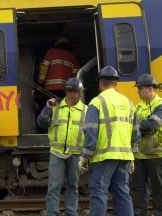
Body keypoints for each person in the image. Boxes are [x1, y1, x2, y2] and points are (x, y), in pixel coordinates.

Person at [79, 66, 141, 216]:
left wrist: (84, 158)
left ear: (101, 83)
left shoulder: (97, 102)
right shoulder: (129, 102)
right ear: (116, 83)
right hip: (124, 157)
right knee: (122, 193)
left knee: (99, 194)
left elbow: (91, 133)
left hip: (103, 158)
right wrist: (132, 156)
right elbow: (136, 134)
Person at [37, 78, 87, 216]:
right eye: (78, 92)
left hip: (76, 154)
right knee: (54, 187)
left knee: (73, 187)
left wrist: (86, 155)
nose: (80, 95)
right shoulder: (55, 107)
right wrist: (47, 108)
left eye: (80, 92)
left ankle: (71, 214)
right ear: (69, 92)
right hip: (56, 153)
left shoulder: (86, 110)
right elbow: (41, 123)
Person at [130, 74, 162, 216]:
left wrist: (140, 127)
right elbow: (139, 126)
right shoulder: (139, 106)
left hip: (157, 153)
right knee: (137, 189)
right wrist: (144, 127)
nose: (137, 91)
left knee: (159, 189)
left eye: (140, 88)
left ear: (149, 88)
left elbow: (152, 125)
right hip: (140, 153)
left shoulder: (160, 105)